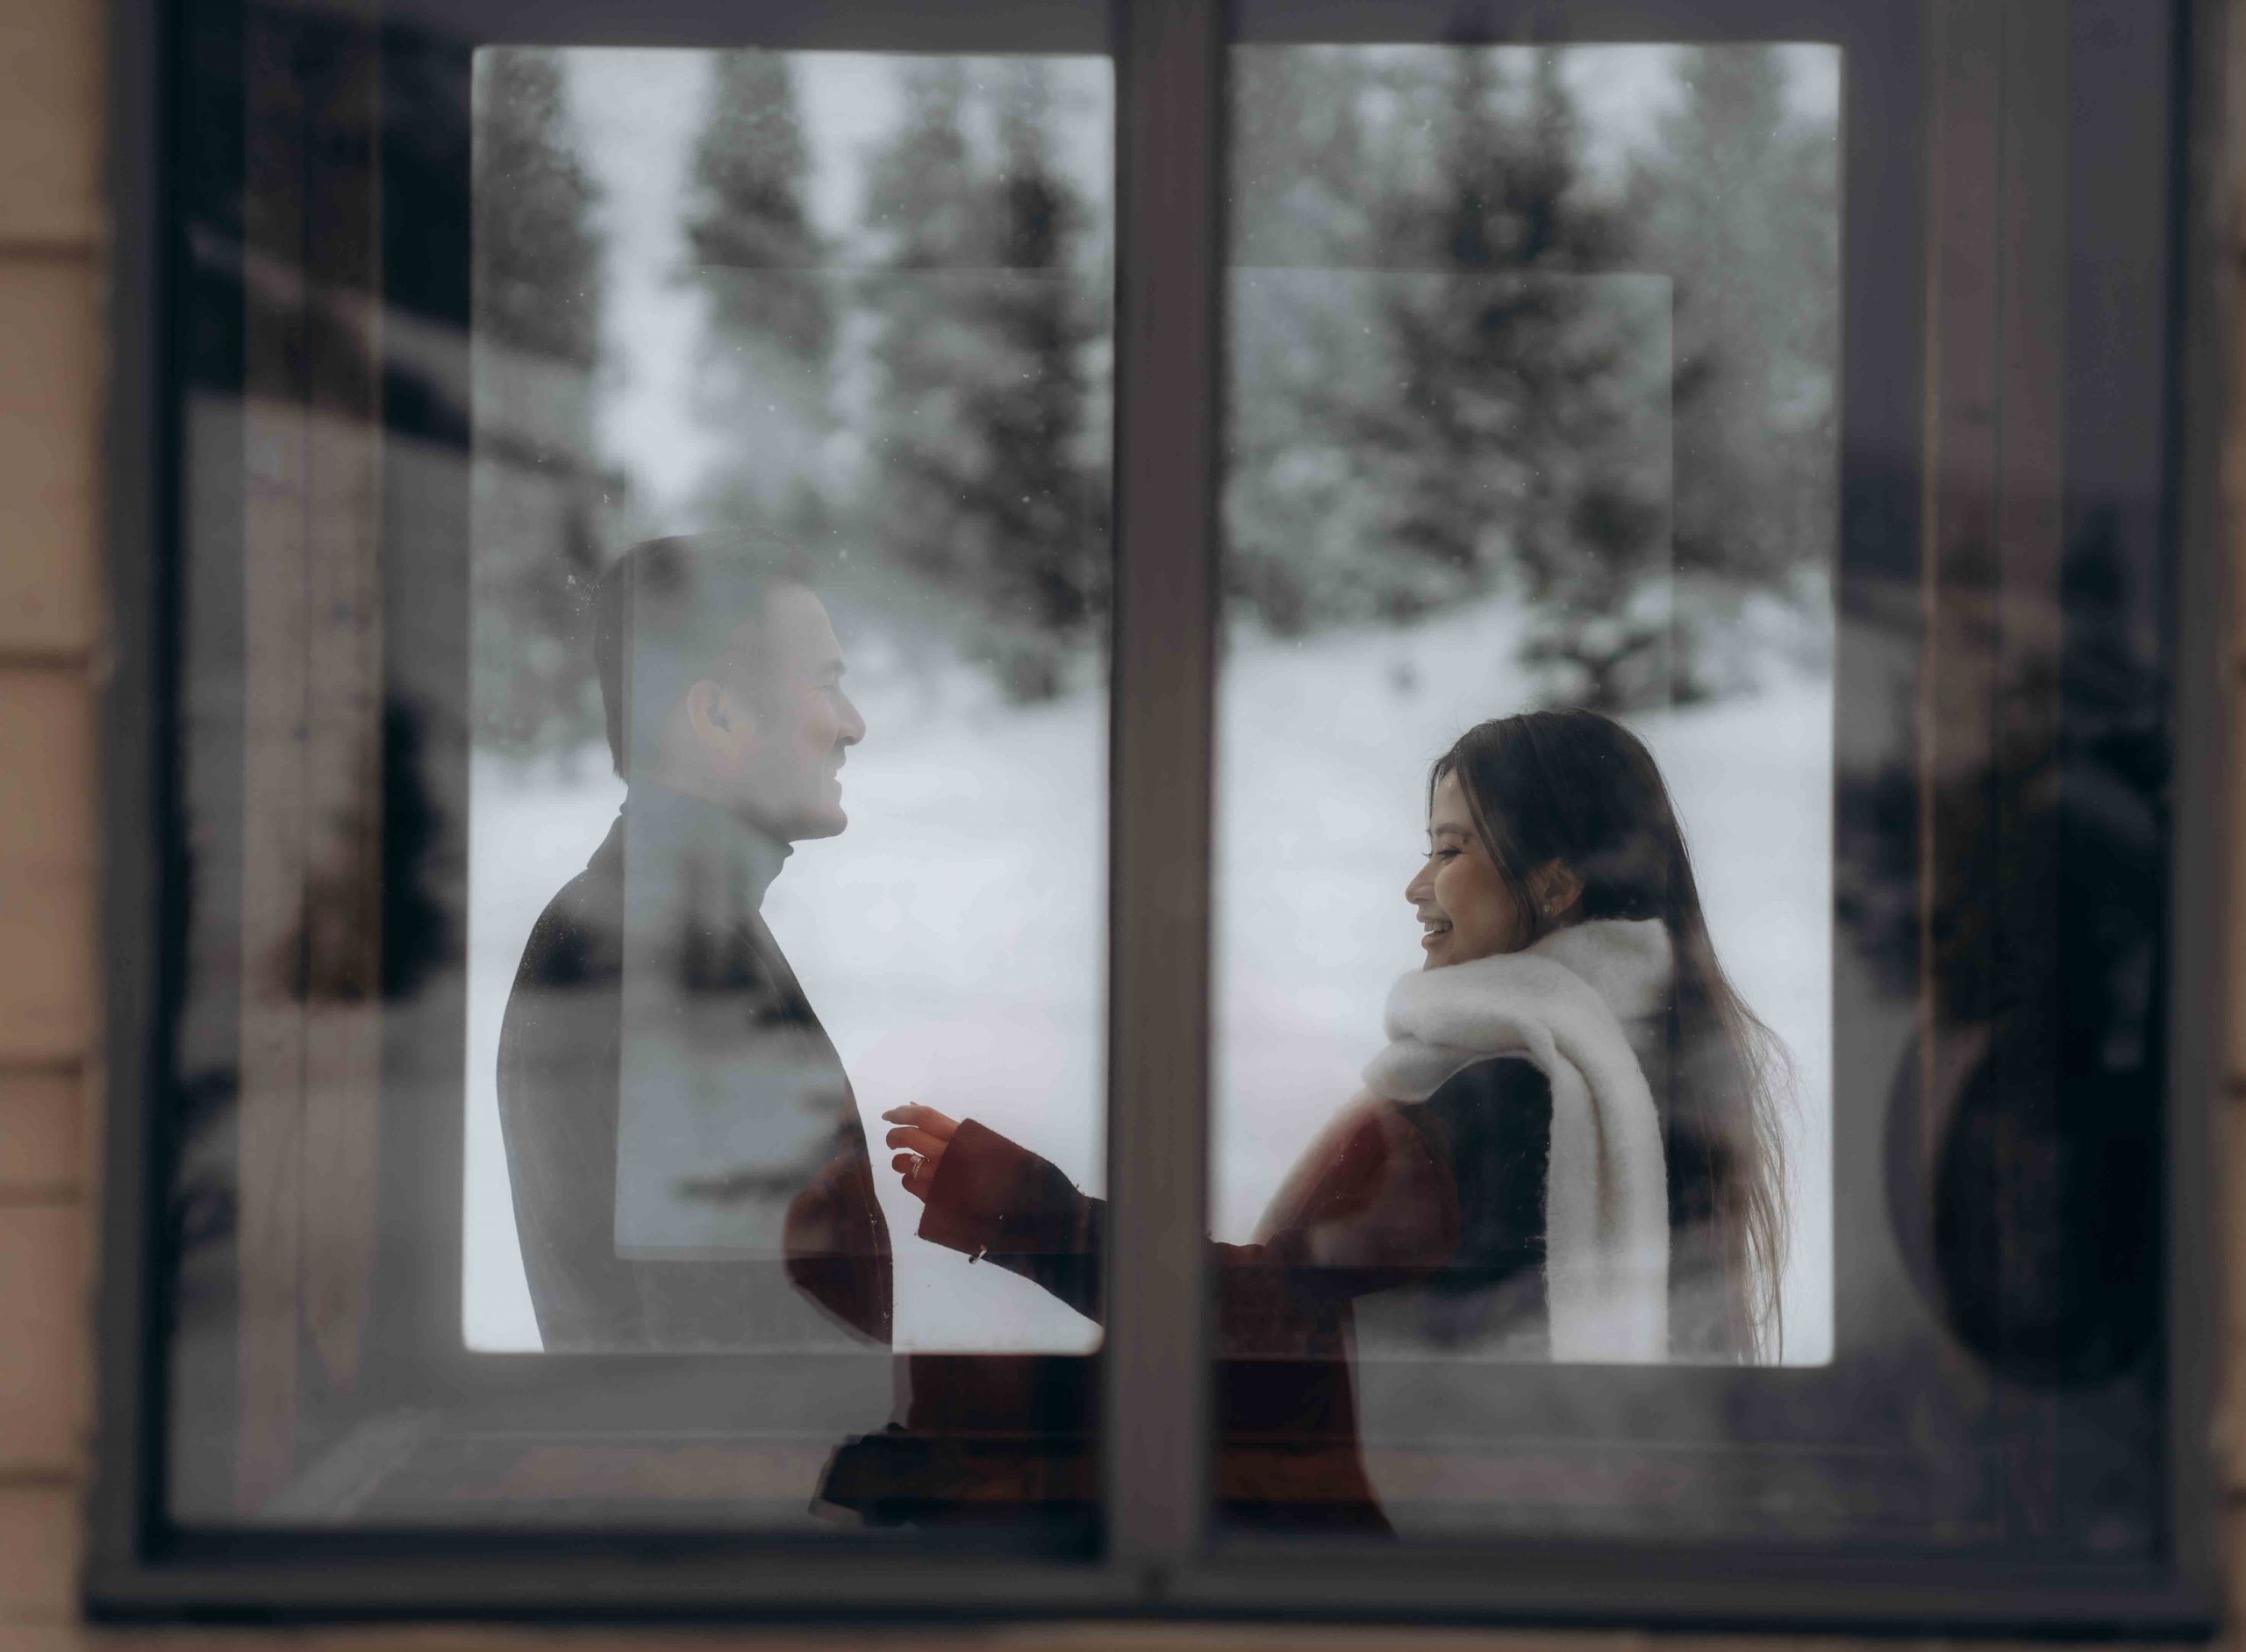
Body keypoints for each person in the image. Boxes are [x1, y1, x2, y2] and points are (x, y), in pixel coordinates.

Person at [882, 708, 1791, 1530]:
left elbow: (1268, 1320)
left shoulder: (1509, 1095)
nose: (1416, 886)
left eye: (1450, 850)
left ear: (1553, 886)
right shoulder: (1644, 1066)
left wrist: (1023, 1207)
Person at [495, 533, 891, 1352]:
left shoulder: (640, 918)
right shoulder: (673, 962)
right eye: (826, 685)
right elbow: (736, 1376)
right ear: (717, 716)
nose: (854, 725)